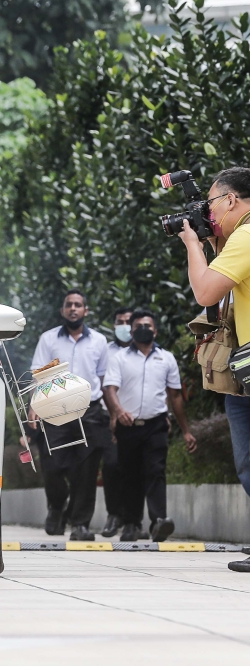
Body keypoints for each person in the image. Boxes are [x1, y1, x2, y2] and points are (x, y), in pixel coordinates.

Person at [180, 166, 250, 571]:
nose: (208, 214)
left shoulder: (245, 236)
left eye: (210, 204)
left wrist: (193, 241)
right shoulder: (237, 239)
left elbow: (205, 290)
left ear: (231, 200)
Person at [103, 309, 196, 542]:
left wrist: (186, 430)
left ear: (155, 330)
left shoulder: (166, 358)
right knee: (130, 475)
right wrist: (118, 411)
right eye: (138, 326)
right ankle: (131, 524)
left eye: (148, 325)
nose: (143, 329)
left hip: (156, 425)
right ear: (131, 331)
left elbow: (175, 396)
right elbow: (110, 389)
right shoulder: (119, 358)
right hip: (128, 425)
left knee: (156, 471)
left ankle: (158, 522)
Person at [28, 289, 112, 541]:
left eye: (78, 305)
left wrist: (112, 413)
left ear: (85, 311)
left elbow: (103, 378)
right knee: (53, 465)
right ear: (62, 310)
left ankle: (80, 524)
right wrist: (34, 406)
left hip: (90, 411)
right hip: (55, 409)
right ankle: (56, 506)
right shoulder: (48, 339)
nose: (73, 308)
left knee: (86, 470)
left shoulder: (99, 341)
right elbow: (39, 374)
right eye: (69, 305)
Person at [100, 305, 134, 538]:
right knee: (111, 465)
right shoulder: (106, 351)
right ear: (114, 325)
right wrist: (113, 415)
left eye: (128, 322)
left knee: (136, 469)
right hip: (109, 417)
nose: (125, 327)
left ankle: (134, 520)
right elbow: (102, 383)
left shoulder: (145, 351)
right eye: (120, 322)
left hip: (139, 420)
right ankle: (114, 515)